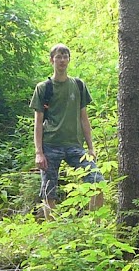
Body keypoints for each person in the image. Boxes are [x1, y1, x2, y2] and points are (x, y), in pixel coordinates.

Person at [29, 43, 104, 218]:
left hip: (75, 145)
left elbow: (84, 118)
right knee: (49, 192)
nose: (62, 60)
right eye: (58, 57)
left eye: (65, 56)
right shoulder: (43, 88)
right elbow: (38, 122)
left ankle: (92, 226)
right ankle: (53, 229)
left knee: (97, 181)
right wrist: (39, 152)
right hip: (50, 145)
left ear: (69, 60)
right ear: (51, 60)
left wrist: (91, 148)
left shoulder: (78, 85)